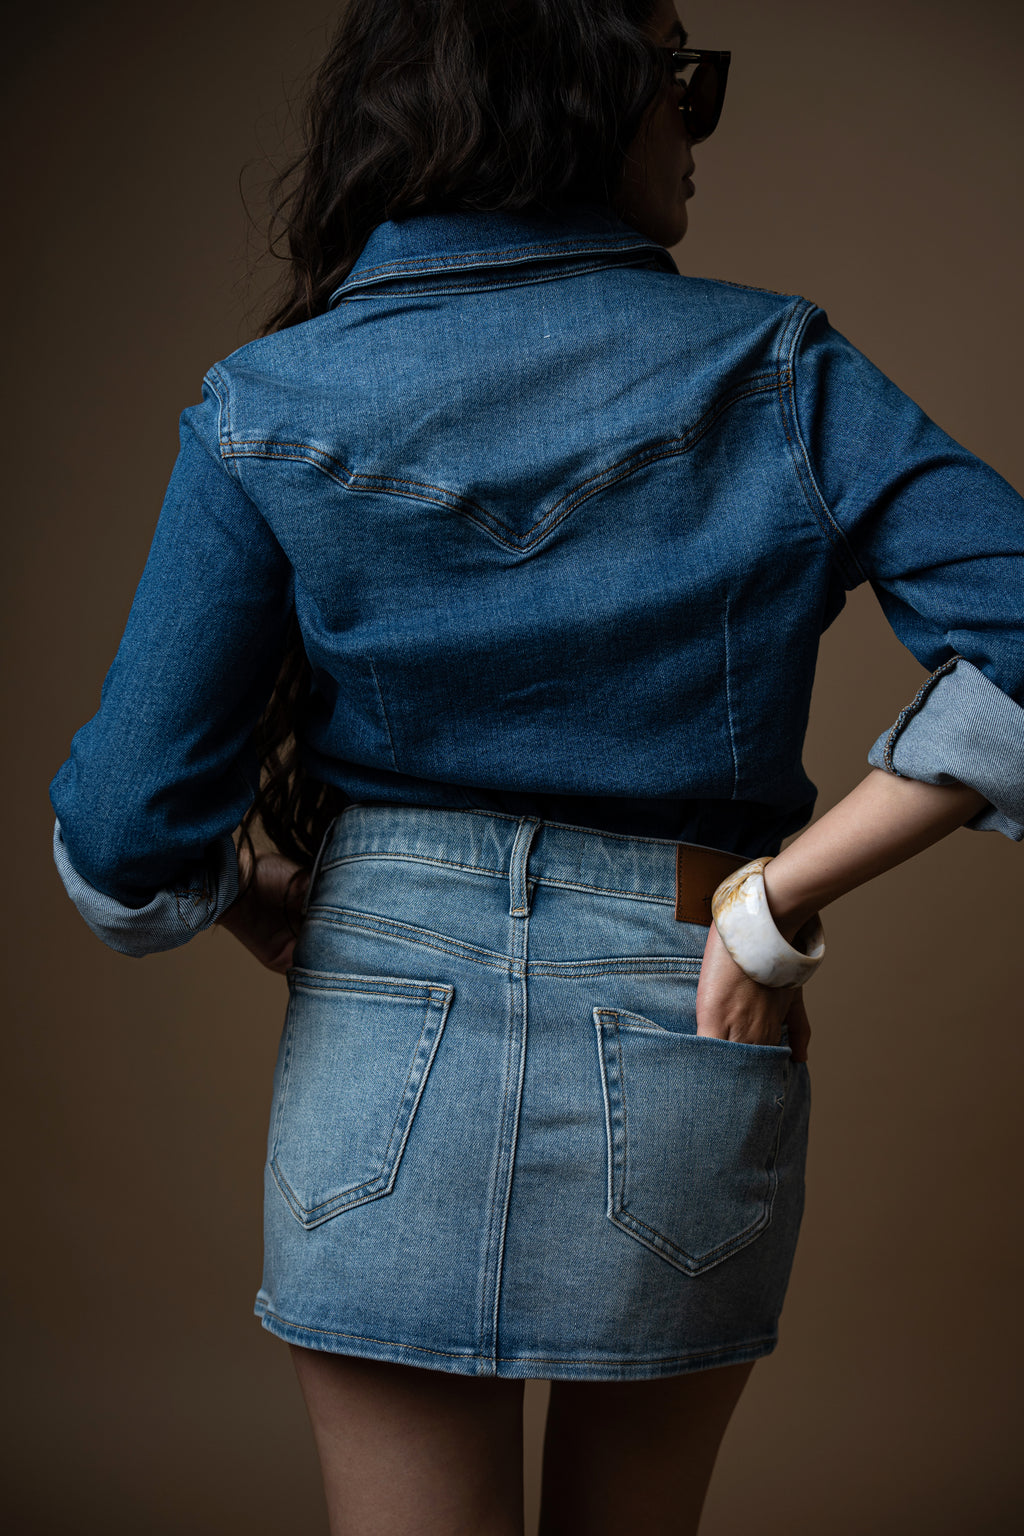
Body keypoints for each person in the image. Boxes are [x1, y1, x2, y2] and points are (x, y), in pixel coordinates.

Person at [47, 1, 1023, 1532]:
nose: (696, 131)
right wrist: (774, 906)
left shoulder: (269, 401)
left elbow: (120, 831)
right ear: (574, 102)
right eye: (679, 86)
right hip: (689, 1001)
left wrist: (250, 898)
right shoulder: (777, 371)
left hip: (379, 1034)